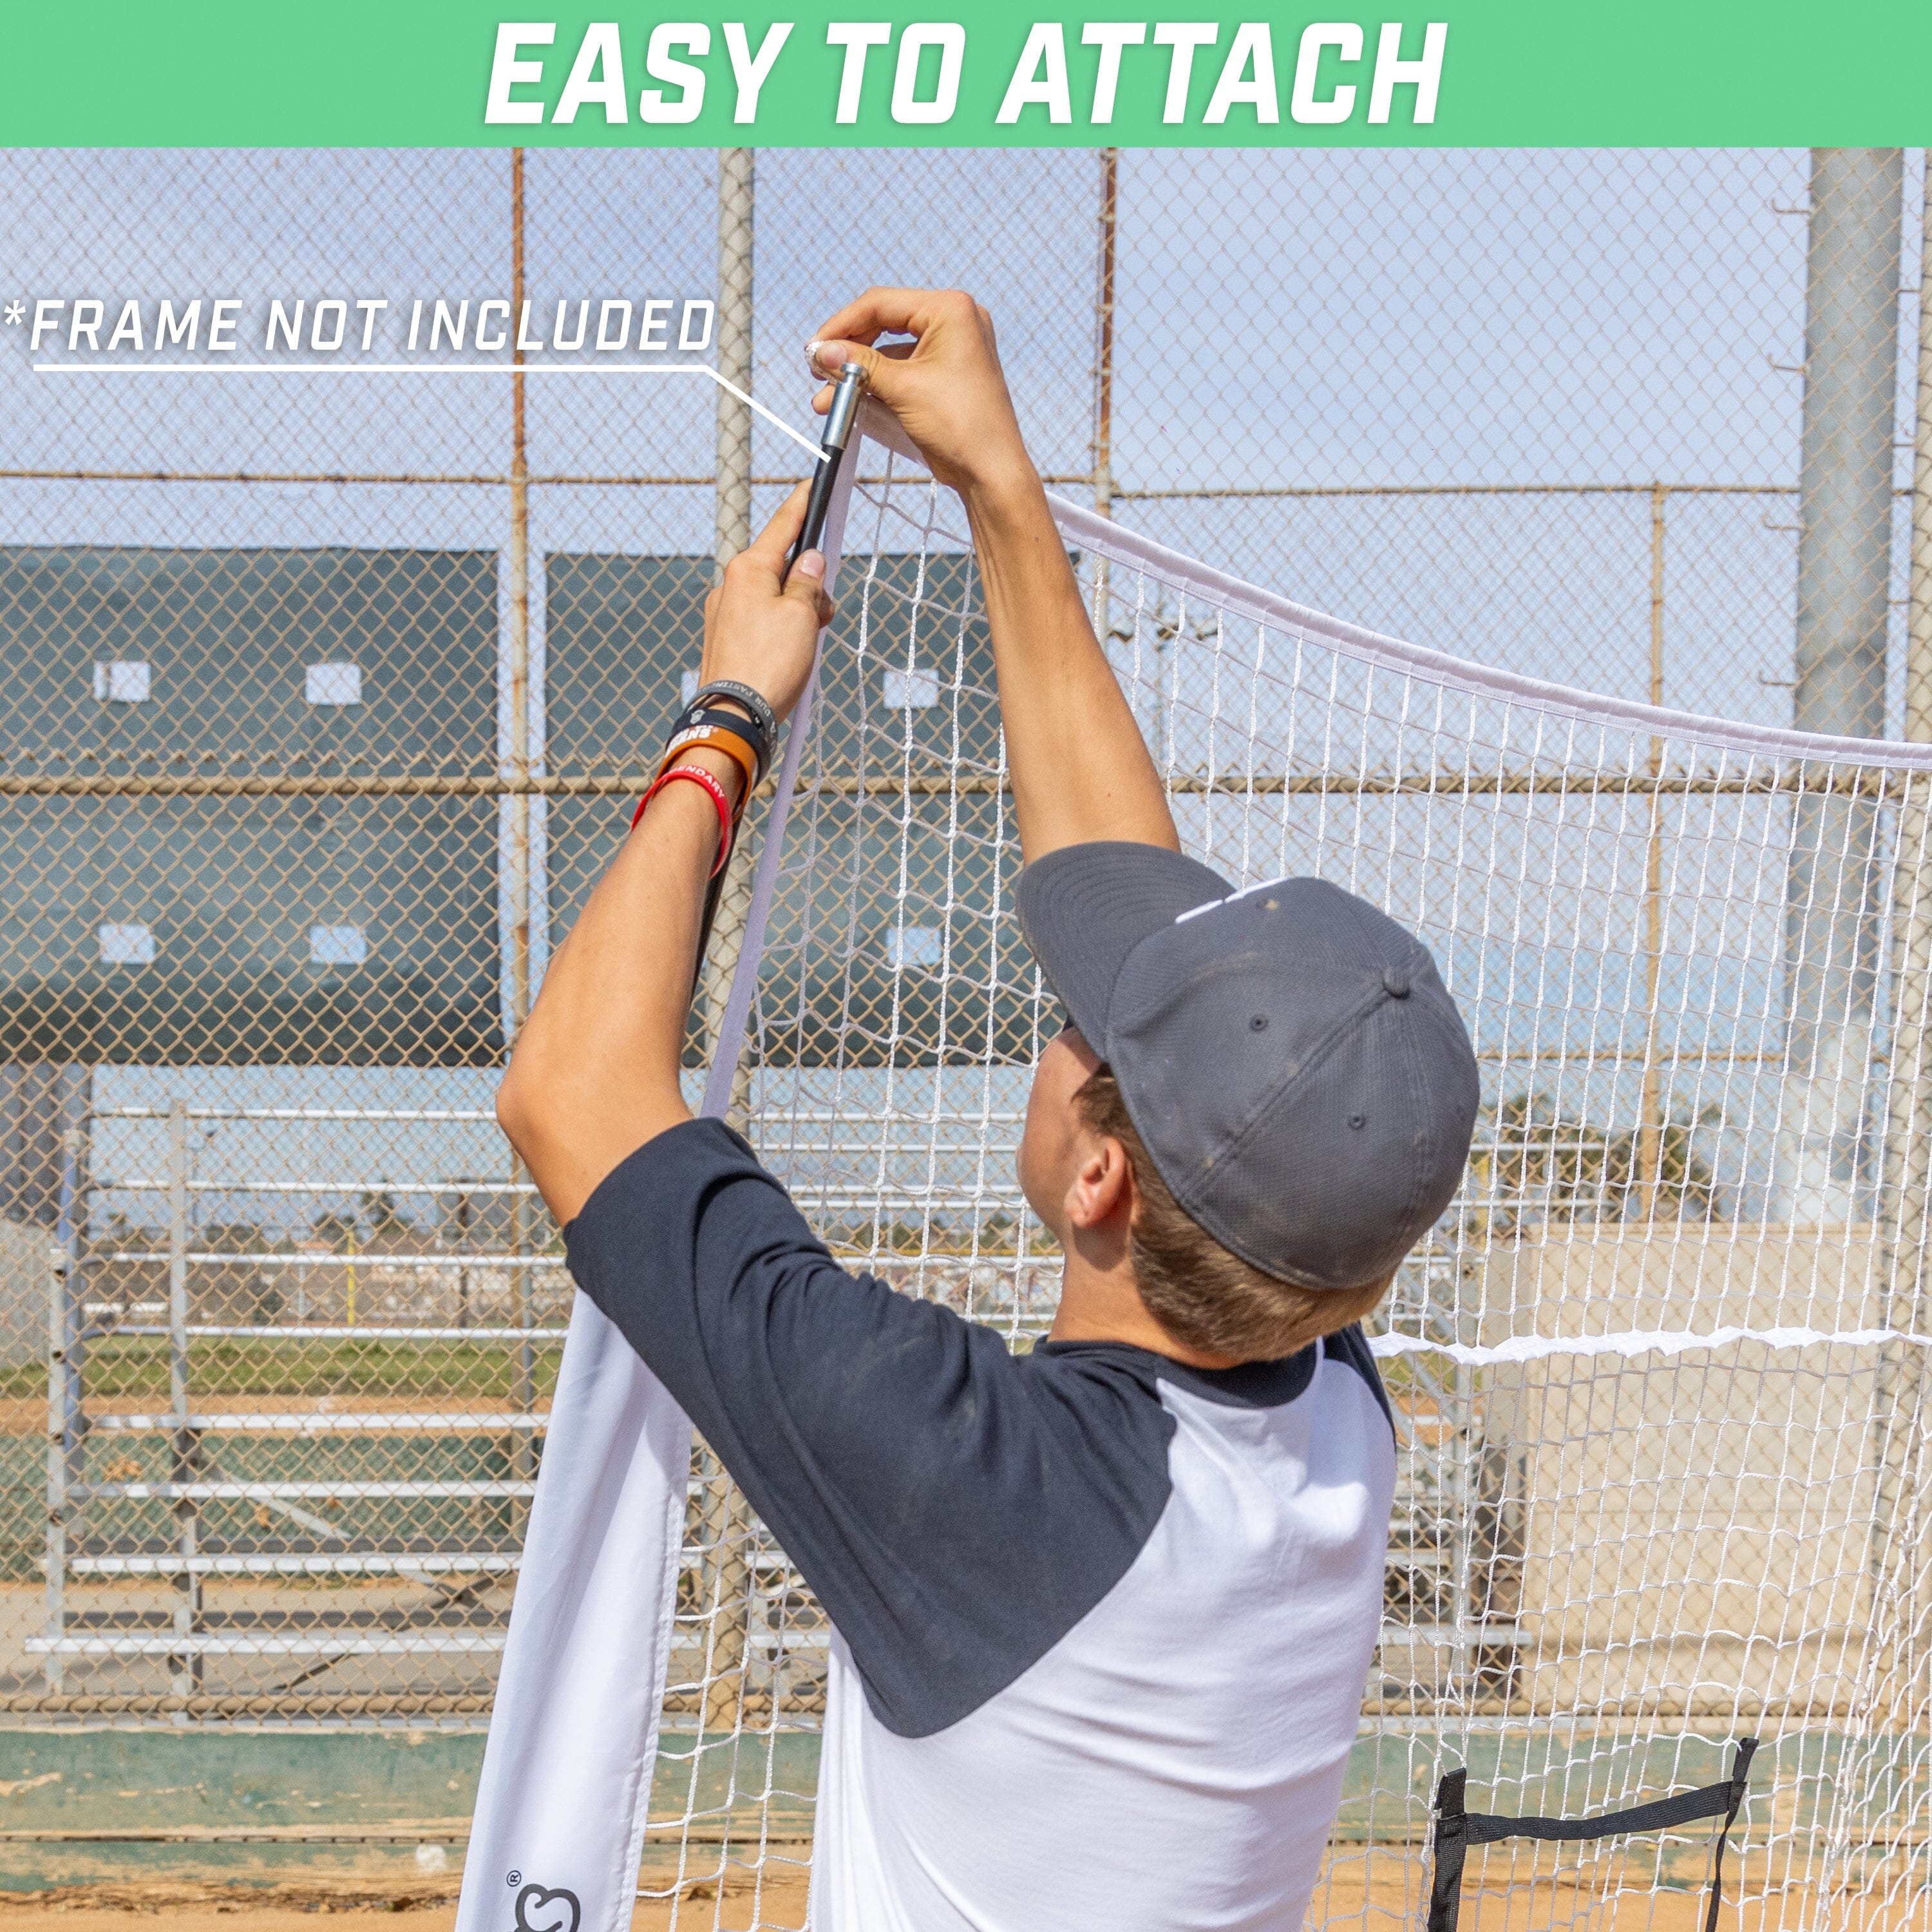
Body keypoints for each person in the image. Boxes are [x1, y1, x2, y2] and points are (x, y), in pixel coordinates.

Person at [495, 289, 1480, 1931]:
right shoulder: (1328, 1423)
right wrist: (996, 489)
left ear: (1099, 1172)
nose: (1068, 1011)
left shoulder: (985, 1490)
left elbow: (568, 1090)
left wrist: (726, 713)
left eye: (1086, 1034)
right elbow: (1143, 915)